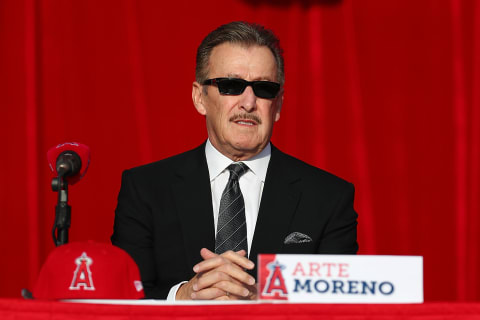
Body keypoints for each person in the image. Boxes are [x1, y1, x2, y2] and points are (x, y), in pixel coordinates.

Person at [111, 21, 358, 301]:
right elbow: (123, 298)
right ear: (199, 97)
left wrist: (263, 299)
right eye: (231, 85)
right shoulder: (145, 189)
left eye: (264, 88)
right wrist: (183, 297)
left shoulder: (328, 198)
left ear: (277, 105)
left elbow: (340, 305)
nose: (249, 102)